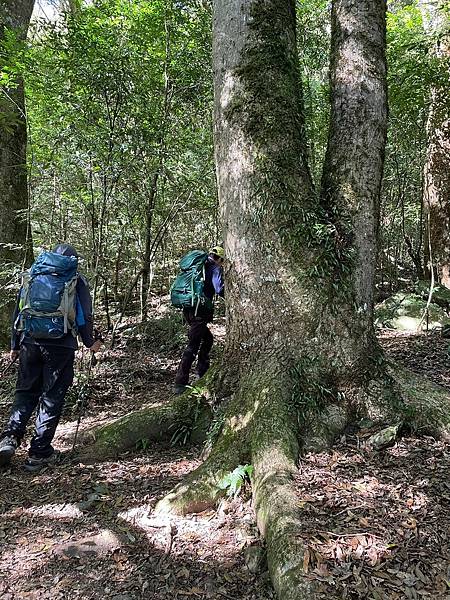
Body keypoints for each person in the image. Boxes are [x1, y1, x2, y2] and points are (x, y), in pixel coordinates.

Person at [0, 243, 102, 472]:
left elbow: (19, 310)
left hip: (29, 341)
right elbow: (84, 315)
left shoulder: (34, 276)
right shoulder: (75, 279)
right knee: (52, 397)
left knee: (25, 392)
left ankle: (9, 439)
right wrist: (89, 342)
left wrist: (15, 344)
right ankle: (39, 453)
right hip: (61, 344)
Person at [174, 246, 224, 394]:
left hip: (188, 309)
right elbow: (220, 289)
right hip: (199, 312)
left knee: (208, 339)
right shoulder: (214, 268)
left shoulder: (197, 267)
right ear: (220, 259)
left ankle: (203, 372)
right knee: (192, 346)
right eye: (222, 261)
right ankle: (180, 383)